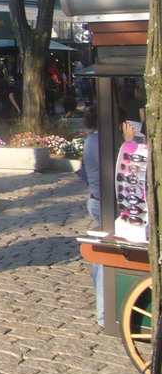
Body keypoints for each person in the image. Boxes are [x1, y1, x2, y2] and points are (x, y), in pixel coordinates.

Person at [80, 107, 104, 327]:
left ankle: (101, 297)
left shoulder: (92, 139)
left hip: (96, 198)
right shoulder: (97, 142)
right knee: (106, 254)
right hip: (101, 201)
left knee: (102, 253)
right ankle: (104, 311)